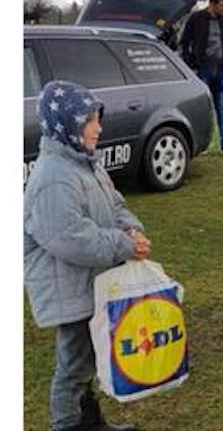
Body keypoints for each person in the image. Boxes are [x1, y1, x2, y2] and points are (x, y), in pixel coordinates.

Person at [24, 81, 152, 431]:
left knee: (89, 360)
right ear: (66, 124)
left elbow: (114, 204)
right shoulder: (53, 177)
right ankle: (68, 425)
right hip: (69, 289)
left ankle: (91, 422)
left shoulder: (85, 163)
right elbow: (70, 238)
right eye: (89, 121)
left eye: (97, 119)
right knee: (74, 366)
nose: (98, 128)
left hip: (90, 284)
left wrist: (132, 229)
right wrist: (123, 245)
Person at [180, 0, 223, 155]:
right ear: (212, 4)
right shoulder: (196, 19)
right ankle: (201, 145)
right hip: (202, 71)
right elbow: (184, 43)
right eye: (222, 5)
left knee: (222, 109)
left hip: (222, 72)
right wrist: (191, 64)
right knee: (203, 110)